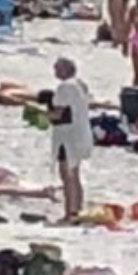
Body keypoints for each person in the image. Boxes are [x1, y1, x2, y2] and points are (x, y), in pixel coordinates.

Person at [49, 57, 91, 221]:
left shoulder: (64, 87)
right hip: (82, 133)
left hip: (67, 135)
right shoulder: (80, 84)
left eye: (57, 69)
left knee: (67, 175)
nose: (55, 72)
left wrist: (39, 116)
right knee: (75, 173)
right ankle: (77, 209)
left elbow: (59, 113)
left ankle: (69, 212)